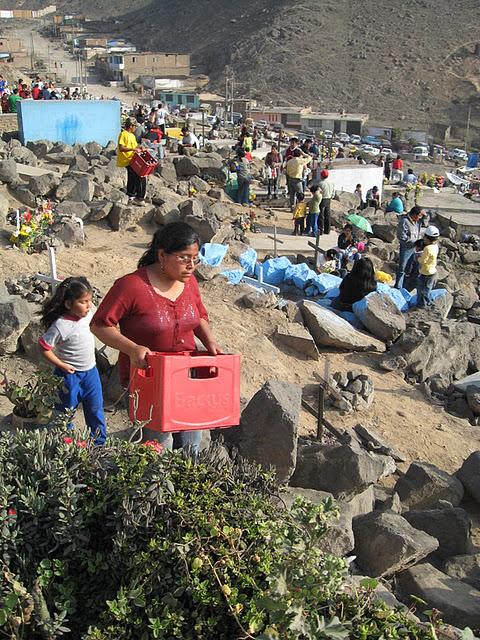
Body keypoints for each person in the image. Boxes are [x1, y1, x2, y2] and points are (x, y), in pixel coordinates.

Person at [91, 222, 221, 454]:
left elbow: (199, 314)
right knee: (159, 445)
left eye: (195, 258)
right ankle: (154, 488)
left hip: (188, 378)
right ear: (162, 255)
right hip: (150, 380)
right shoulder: (131, 286)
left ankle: (189, 487)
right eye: (184, 258)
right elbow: (100, 325)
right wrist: (131, 348)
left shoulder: (189, 283)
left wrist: (209, 340)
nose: (192, 266)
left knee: (193, 441)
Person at [38, 277, 107, 446]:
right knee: (65, 412)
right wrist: (61, 365)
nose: (88, 305)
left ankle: (99, 443)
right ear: (68, 304)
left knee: (95, 408)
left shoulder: (88, 315)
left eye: (89, 300)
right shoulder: (61, 325)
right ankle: (64, 445)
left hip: (91, 373)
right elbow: (44, 347)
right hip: (68, 376)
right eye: (83, 301)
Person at [395, 205, 427, 289]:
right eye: (419, 216)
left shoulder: (417, 222)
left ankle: (405, 286)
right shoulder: (404, 221)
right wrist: (413, 242)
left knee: (410, 268)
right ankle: (398, 287)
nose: (420, 218)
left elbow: (426, 222)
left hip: (414, 248)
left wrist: (425, 215)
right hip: (406, 248)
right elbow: (401, 236)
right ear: (414, 215)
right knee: (402, 268)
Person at [117, 118, 146, 206]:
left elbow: (135, 145)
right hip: (127, 160)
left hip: (133, 159)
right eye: (134, 126)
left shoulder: (132, 136)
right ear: (130, 126)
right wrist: (133, 149)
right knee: (140, 177)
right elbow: (121, 148)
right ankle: (140, 198)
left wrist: (140, 148)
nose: (135, 129)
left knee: (132, 178)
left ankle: (131, 196)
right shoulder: (123, 134)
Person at [416, 225, 440, 307]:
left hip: (426, 272)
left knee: (422, 290)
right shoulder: (435, 247)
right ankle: (428, 303)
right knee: (427, 289)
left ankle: (422, 305)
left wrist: (418, 258)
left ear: (427, 238)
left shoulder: (427, 248)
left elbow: (423, 261)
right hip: (432, 271)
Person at [318, 169, 335, 235]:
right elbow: (333, 193)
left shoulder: (320, 183)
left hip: (322, 199)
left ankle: (320, 230)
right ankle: (327, 230)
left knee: (321, 215)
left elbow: (319, 192)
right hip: (328, 199)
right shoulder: (331, 183)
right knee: (327, 214)